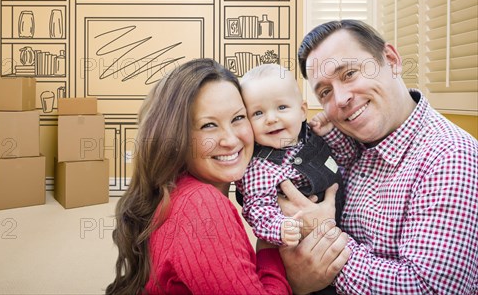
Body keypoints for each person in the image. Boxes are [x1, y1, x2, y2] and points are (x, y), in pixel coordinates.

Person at [278, 19, 478, 294]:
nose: (340, 99)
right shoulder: (351, 144)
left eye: (349, 74)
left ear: (392, 60)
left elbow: (429, 289)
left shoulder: (449, 156)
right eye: (325, 92)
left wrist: (322, 240)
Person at [106, 58, 307, 295]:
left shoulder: (177, 191)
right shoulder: (201, 206)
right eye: (208, 125)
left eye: (238, 118)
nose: (231, 140)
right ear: (176, 137)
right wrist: (274, 254)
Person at [235, 63, 347, 295]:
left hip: (341, 233)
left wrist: (331, 132)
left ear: (302, 111)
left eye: (282, 107)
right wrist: (279, 227)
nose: (271, 119)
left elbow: (344, 159)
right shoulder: (261, 166)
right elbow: (257, 209)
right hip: (299, 251)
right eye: (258, 113)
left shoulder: (311, 137)